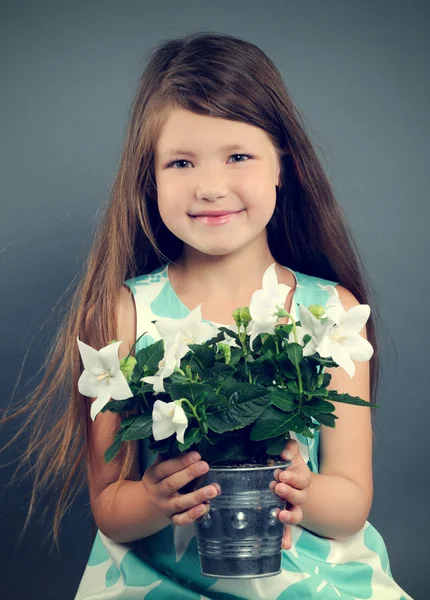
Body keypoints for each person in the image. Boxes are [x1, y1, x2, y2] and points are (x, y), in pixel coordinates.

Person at [0, 32, 413, 600]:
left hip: (309, 580)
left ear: (281, 167)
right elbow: (110, 506)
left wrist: (304, 490)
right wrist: (153, 498)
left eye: (238, 156)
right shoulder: (125, 314)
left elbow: (350, 503)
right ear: (150, 177)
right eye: (181, 162)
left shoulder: (329, 312)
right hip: (162, 581)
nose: (211, 186)